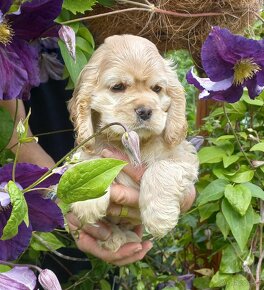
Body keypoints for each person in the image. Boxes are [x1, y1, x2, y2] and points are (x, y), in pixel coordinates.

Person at [0, 94, 196, 266]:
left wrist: (175, 189)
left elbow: (177, 151)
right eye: (119, 86)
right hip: (44, 169)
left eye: (155, 88)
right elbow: (12, 121)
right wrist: (61, 195)